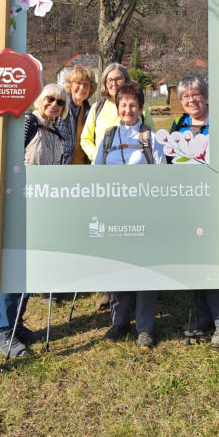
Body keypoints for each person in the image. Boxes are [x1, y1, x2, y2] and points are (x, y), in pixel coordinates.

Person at [169, 74, 219, 348]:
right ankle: (202, 315)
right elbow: (169, 162)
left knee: (216, 260)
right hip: (187, 204)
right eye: (185, 97)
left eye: (195, 94)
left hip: (218, 202)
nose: (191, 100)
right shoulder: (179, 125)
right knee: (195, 260)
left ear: (205, 96)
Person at [0, 83, 69, 358]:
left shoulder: (57, 132)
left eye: (60, 102)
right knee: (15, 268)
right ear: (40, 99)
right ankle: (3, 330)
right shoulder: (28, 123)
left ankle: (17, 323)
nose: (54, 105)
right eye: (50, 99)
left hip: (43, 208)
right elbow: (9, 160)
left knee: (29, 269)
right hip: (21, 206)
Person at [94, 82, 164, 350]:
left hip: (144, 211)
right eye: (123, 105)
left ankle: (144, 328)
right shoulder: (108, 137)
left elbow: (161, 174)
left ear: (141, 108)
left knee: (146, 267)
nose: (128, 110)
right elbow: (97, 172)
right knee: (118, 266)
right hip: (114, 212)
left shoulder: (150, 137)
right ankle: (119, 321)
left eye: (133, 105)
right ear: (117, 107)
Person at [81, 63, 154, 312]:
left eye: (119, 79)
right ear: (105, 84)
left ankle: (137, 294)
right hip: (108, 182)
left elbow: (151, 137)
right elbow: (87, 138)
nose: (114, 83)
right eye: (110, 80)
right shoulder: (98, 108)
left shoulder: (139, 110)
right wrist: (98, 158)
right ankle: (110, 294)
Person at [55, 65, 97, 165]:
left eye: (86, 84)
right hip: (62, 166)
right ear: (70, 85)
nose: (82, 88)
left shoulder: (91, 111)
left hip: (84, 167)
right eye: (78, 83)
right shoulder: (60, 107)